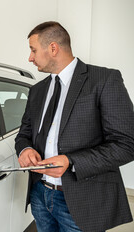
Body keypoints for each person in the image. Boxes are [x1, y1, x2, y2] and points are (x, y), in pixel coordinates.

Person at [15, 21, 134, 231]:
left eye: (33, 50)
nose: (30, 58)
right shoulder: (37, 91)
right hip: (40, 195)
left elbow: (127, 145)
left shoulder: (104, 80)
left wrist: (71, 161)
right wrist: (25, 149)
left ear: (53, 48)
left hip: (82, 199)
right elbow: (24, 133)